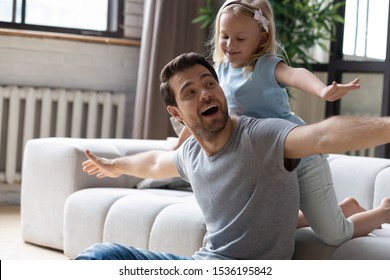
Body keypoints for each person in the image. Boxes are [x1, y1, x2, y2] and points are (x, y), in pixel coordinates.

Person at [76, 52, 390, 260]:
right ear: (176, 113)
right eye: (190, 92)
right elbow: (156, 163)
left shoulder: (261, 136)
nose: (205, 93)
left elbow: (324, 135)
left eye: (210, 83)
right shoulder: (191, 154)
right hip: (200, 264)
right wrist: (117, 166)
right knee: (102, 255)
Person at [172, 0, 374, 245]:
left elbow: (295, 74)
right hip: (267, 167)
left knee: (335, 235)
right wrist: (179, 147)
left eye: (240, 38)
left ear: (261, 37)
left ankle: (383, 210)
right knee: (265, 223)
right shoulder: (219, 72)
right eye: (224, 36)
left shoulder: (266, 66)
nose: (230, 44)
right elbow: (202, 118)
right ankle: (346, 207)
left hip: (301, 160)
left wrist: (322, 91)